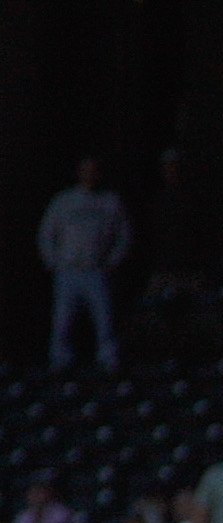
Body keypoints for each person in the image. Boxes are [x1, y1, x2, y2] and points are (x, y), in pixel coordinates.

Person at [37, 156, 127, 372]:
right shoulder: (64, 201)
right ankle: (60, 360)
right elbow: (47, 232)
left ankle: (108, 360)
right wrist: (53, 262)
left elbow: (123, 235)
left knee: (104, 318)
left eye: (93, 171)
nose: (89, 175)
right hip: (68, 271)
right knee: (63, 320)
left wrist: (113, 261)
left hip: (96, 270)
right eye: (85, 170)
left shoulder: (109, 201)